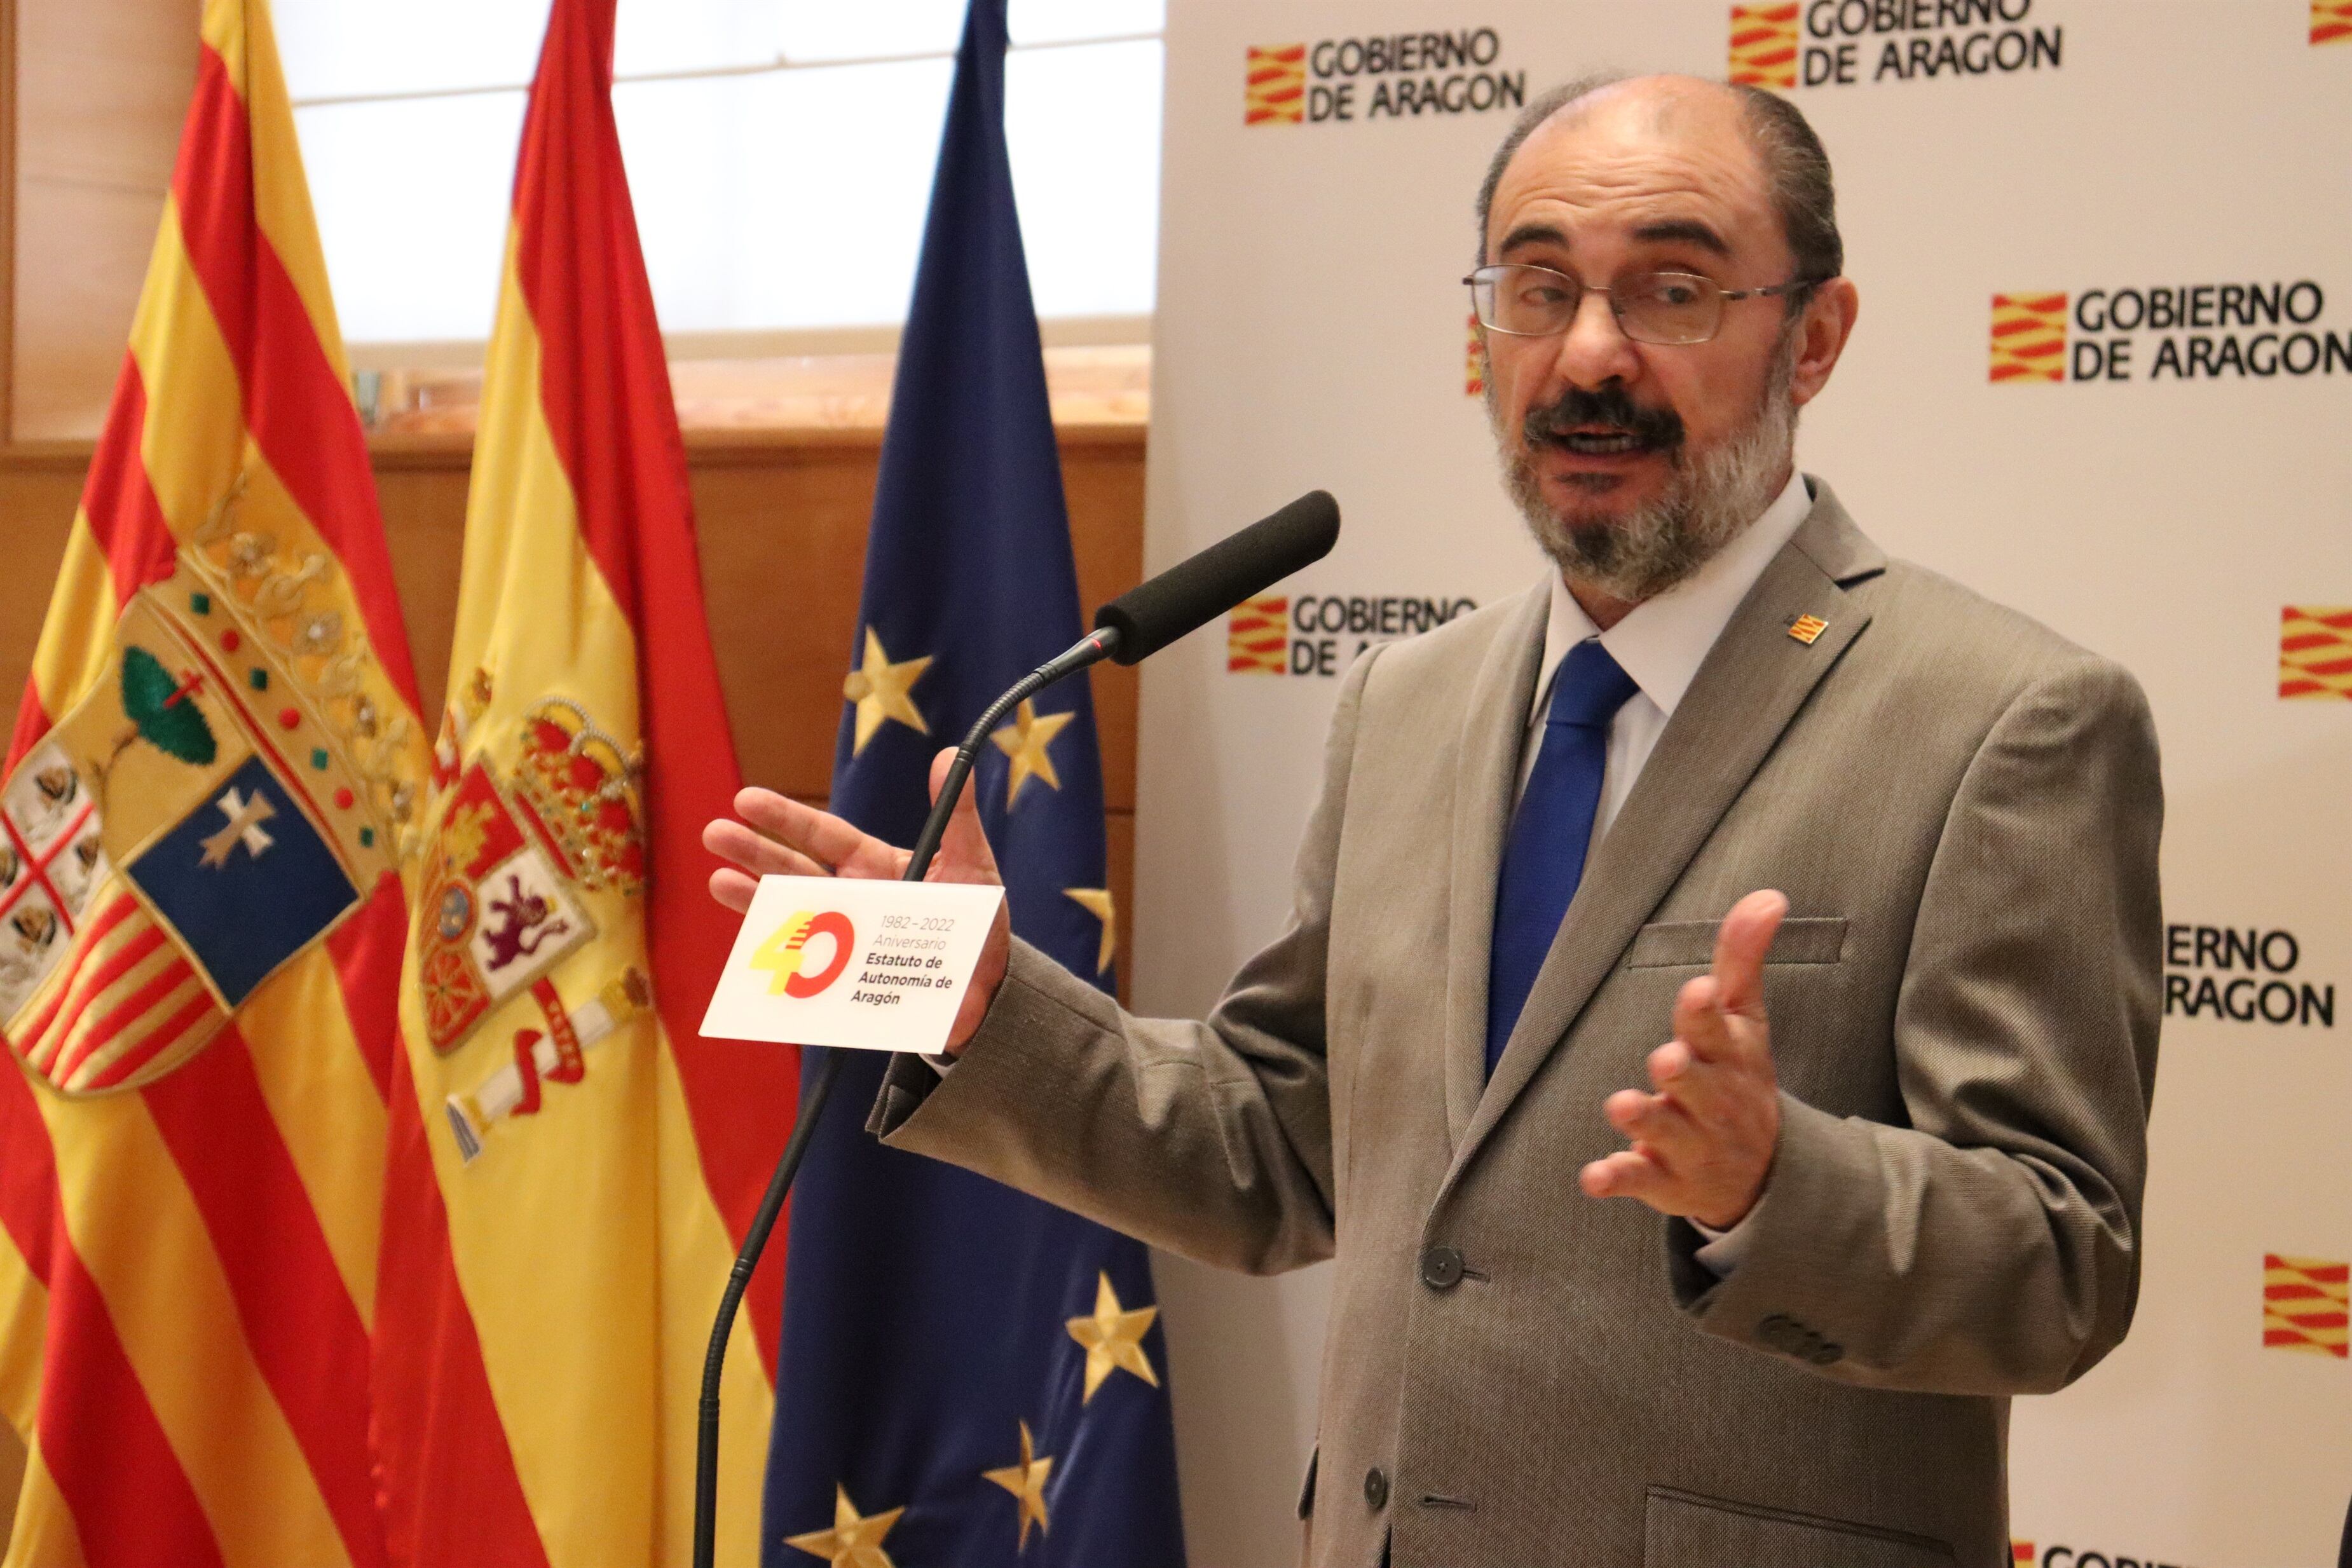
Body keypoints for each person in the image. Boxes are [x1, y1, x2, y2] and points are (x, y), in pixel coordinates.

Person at [706, 72, 2161, 1568]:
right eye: (1536, 290)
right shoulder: (1408, 703)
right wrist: (988, 1010)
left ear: (1815, 335)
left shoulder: (2005, 717)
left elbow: (2061, 1264)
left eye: (1671, 291)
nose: (1585, 355)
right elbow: (1277, 1147)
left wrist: (1770, 1183)